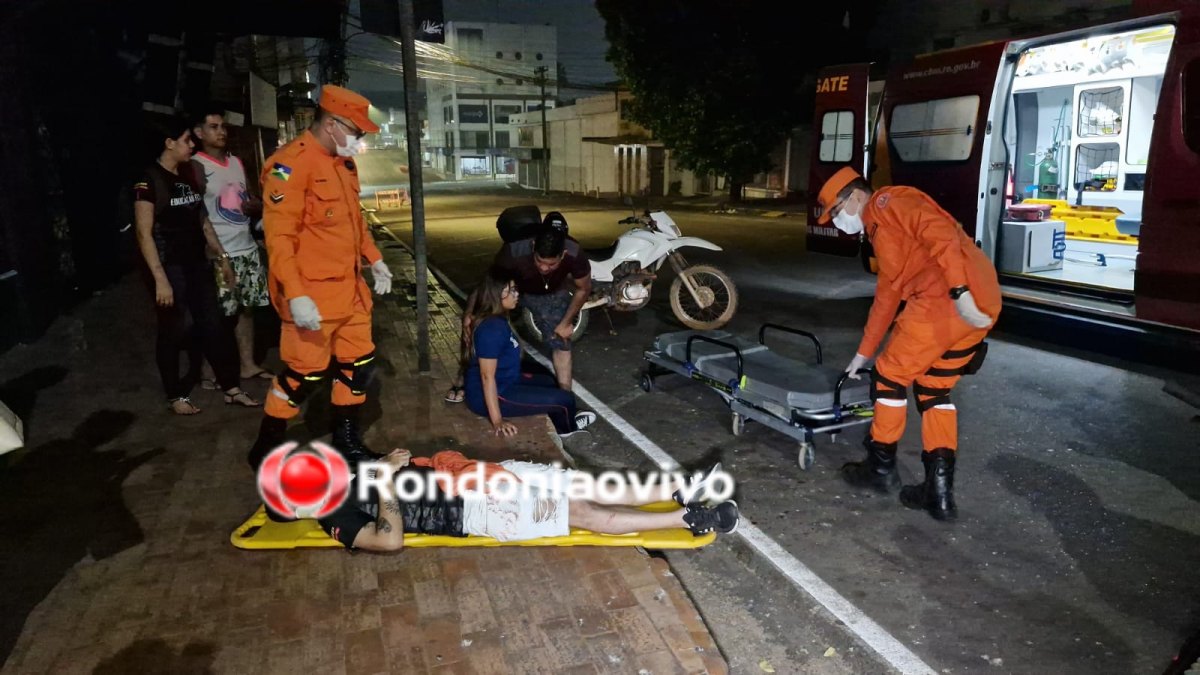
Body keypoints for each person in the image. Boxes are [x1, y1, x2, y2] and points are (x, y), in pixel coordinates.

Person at [813, 167, 1002, 521]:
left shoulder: (887, 203)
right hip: (980, 304)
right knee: (933, 391)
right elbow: (887, 295)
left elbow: (940, 232)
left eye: (837, 212)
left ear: (855, 196)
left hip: (948, 300)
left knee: (888, 378)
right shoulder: (881, 232)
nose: (838, 222)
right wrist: (863, 352)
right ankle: (939, 494)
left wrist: (959, 290)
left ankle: (880, 470)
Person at [246, 85, 394, 470]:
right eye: (355, 132)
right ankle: (266, 446)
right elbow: (279, 239)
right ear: (331, 124)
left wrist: (374, 258)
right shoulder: (288, 166)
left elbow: (354, 220)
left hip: (350, 291)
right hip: (311, 295)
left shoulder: (343, 163)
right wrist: (295, 294)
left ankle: (346, 442)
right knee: (303, 374)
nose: (359, 141)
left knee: (358, 364)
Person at [317, 448, 739, 551]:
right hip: (477, 509)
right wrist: (388, 481)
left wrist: (392, 461)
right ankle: (687, 519)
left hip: (482, 475)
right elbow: (387, 542)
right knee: (585, 513)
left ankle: (678, 490)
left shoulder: (345, 469)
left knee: (584, 486)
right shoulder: (332, 511)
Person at [133, 115, 261, 415]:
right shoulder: (148, 180)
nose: (192, 145)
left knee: (213, 323)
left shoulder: (188, 175)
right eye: (187, 140)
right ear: (169, 144)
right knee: (175, 329)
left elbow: (202, 220)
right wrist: (160, 279)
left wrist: (222, 257)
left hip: (197, 263)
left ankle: (231, 388)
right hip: (168, 266)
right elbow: (143, 233)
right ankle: (175, 394)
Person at [463, 268, 596, 444]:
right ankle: (567, 430)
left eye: (515, 289)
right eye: (510, 290)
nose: (516, 294)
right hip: (493, 394)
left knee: (549, 382)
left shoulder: (497, 319)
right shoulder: (492, 329)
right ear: (496, 295)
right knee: (565, 399)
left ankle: (562, 416)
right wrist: (497, 421)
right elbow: (487, 377)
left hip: (506, 380)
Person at [190, 109, 273, 385]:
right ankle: (208, 370)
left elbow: (248, 195)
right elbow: (196, 213)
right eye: (213, 127)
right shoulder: (196, 167)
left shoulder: (236, 162)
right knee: (218, 315)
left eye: (223, 126)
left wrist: (255, 206)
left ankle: (247, 364)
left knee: (246, 309)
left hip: (246, 247)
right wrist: (211, 249)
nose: (221, 131)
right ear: (199, 133)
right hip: (220, 253)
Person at [487, 212, 592, 391]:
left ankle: (565, 396)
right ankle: (464, 382)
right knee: (485, 332)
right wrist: (484, 313)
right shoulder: (514, 249)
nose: (544, 268)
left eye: (551, 264)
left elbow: (584, 288)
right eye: (539, 261)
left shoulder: (574, 252)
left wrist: (566, 323)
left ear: (563, 254)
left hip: (549, 294)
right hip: (512, 289)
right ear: (534, 246)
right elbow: (492, 284)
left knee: (562, 341)